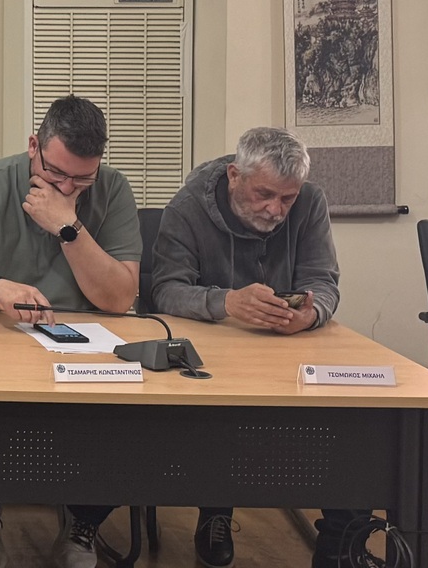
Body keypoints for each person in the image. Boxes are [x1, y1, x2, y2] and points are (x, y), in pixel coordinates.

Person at [0, 95, 141, 568]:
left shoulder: (113, 190)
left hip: (89, 344)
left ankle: (84, 523)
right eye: (56, 173)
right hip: (0, 340)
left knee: (131, 420)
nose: (67, 186)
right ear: (34, 146)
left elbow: (119, 298)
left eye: (82, 179)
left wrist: (68, 226)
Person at [151, 127, 356, 568]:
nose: (275, 210)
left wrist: (311, 314)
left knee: (354, 426)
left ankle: (343, 542)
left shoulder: (311, 203)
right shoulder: (187, 209)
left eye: (286, 199)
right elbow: (165, 290)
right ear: (234, 176)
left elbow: (323, 281)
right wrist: (226, 302)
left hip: (291, 351)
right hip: (215, 354)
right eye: (264, 194)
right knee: (222, 418)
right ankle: (216, 509)